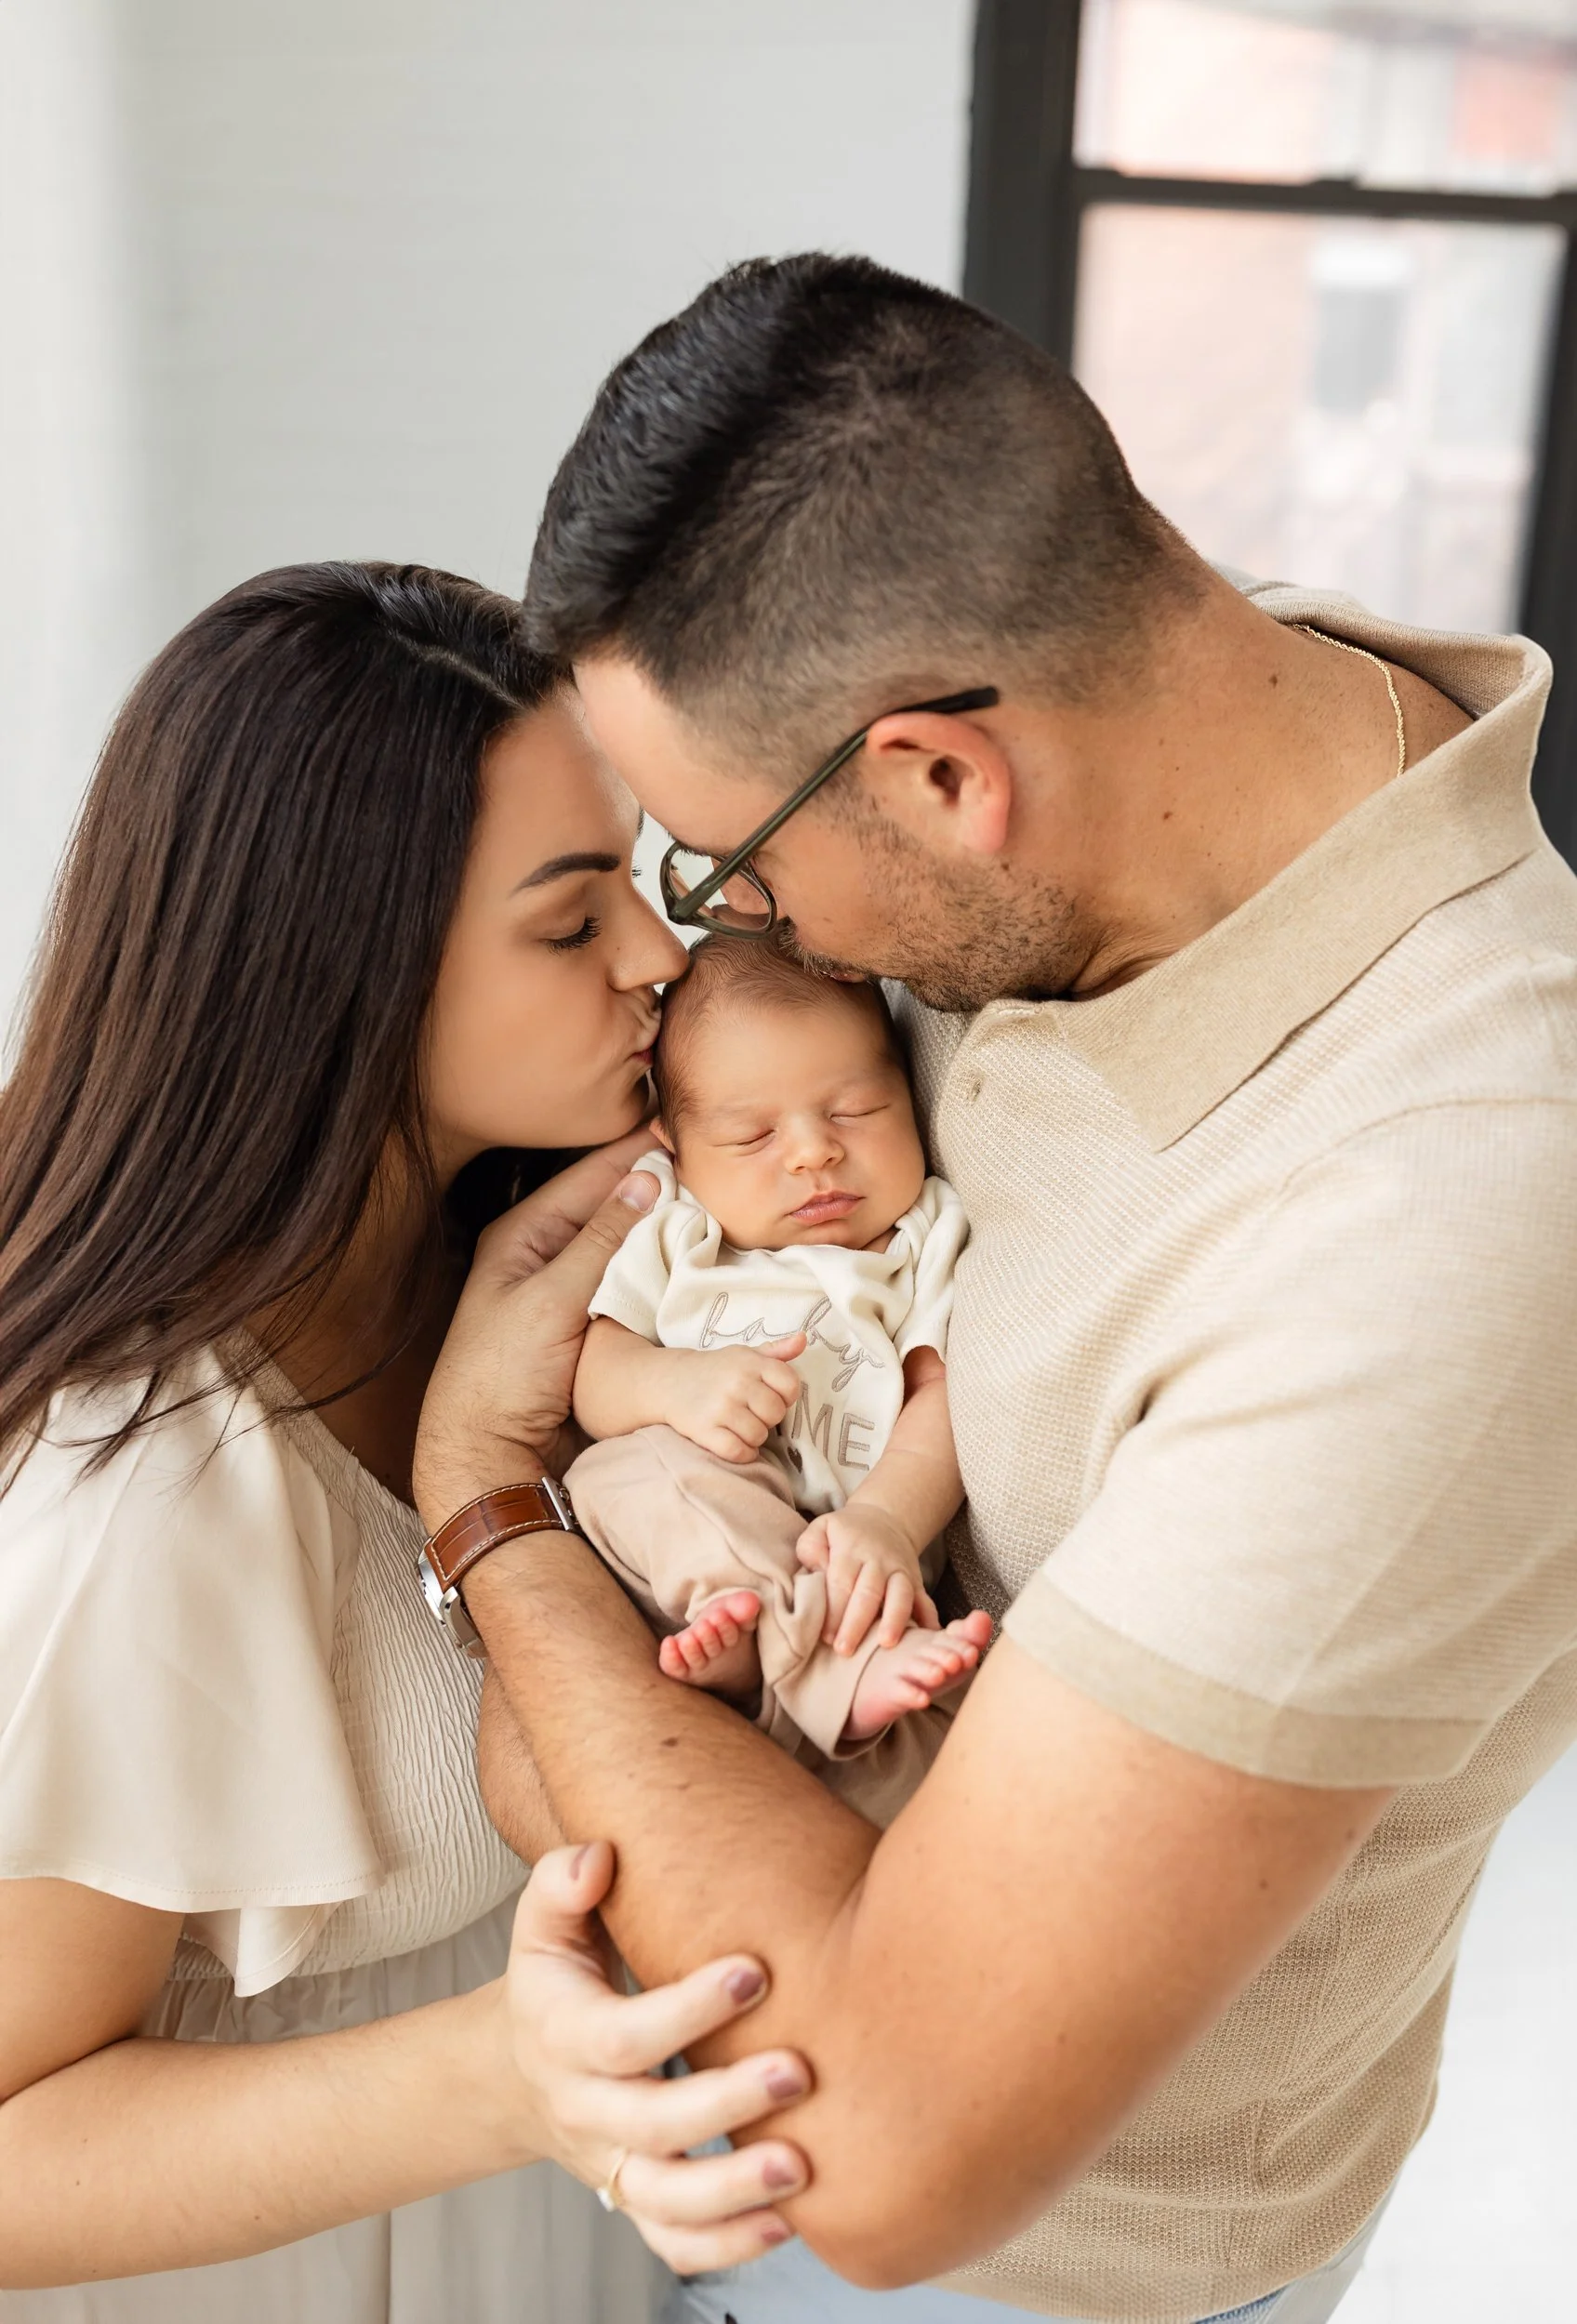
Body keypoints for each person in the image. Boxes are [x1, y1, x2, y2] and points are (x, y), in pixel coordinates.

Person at [407, 257, 1577, 2324]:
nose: (716, 950)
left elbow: (884, 2148)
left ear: (945, 777)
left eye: (725, 873)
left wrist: (489, 1504)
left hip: (1041, 2269)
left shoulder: (1442, 1214)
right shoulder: (1192, 715)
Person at [0, 562, 819, 2321]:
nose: (656, 963)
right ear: (339, 969)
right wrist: (501, 2077)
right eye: (566, 919)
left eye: (639, 887)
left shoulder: (532, 1285)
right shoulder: (147, 1492)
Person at [567, 932, 989, 1806]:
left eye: (856, 1110)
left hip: (852, 1562)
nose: (811, 1153)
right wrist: (674, 1386)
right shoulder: (677, 1230)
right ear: (674, 1149)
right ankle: (788, 1652)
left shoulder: (923, 1236)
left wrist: (886, 1523)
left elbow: (940, 1400)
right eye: (751, 1135)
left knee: (919, 1767)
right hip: (686, 1521)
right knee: (633, 1470)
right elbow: (595, 1373)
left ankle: (764, 1669)